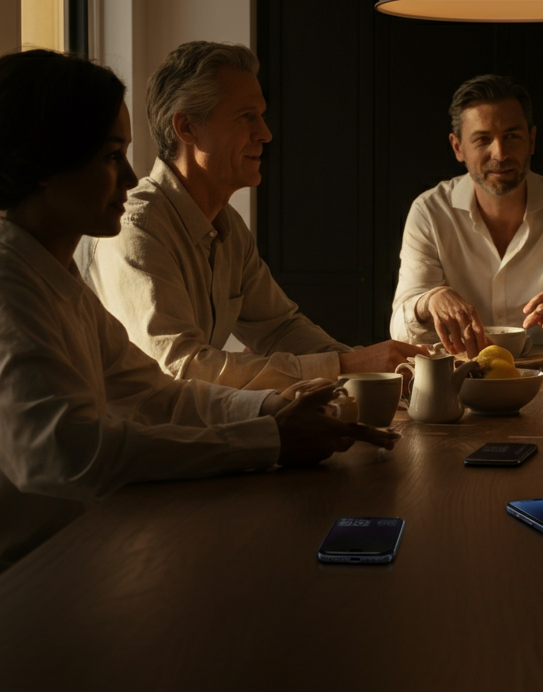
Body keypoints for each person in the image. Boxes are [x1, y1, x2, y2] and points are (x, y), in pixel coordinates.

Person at [0, 50, 396, 570]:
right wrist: (270, 437)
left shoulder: (58, 279)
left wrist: (270, 410)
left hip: (89, 547)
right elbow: (64, 454)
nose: (129, 176)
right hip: (32, 584)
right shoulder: (14, 284)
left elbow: (155, 393)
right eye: (110, 156)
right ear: (44, 164)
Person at [80, 41, 426, 391]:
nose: (265, 133)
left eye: (260, 115)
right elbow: (180, 368)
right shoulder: (134, 227)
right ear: (186, 128)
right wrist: (346, 365)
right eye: (246, 117)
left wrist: (374, 370)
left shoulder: (228, 226)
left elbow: (279, 328)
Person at [389, 74, 543, 356]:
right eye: (482, 139)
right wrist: (429, 300)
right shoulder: (430, 211)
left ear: (531, 140)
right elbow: (400, 331)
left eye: (512, 136)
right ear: (458, 147)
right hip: (462, 378)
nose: (500, 153)